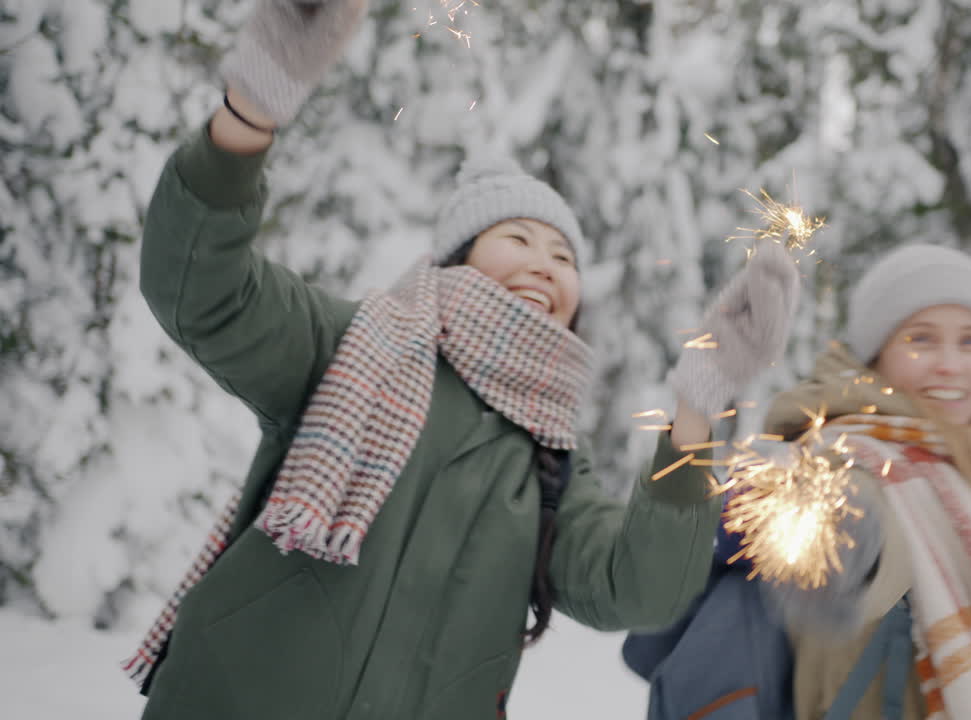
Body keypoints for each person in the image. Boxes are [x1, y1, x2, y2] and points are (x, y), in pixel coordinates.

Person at [122, 2, 800, 718]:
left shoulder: (551, 462)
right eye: (518, 239)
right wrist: (249, 113)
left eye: (563, 255)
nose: (545, 265)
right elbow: (202, 291)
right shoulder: (347, 345)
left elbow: (638, 588)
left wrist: (699, 400)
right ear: (458, 258)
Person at [627, 244, 971, 720]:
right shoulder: (849, 458)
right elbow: (838, 535)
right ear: (875, 359)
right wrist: (775, 506)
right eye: (921, 340)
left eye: (970, 341)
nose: (950, 364)